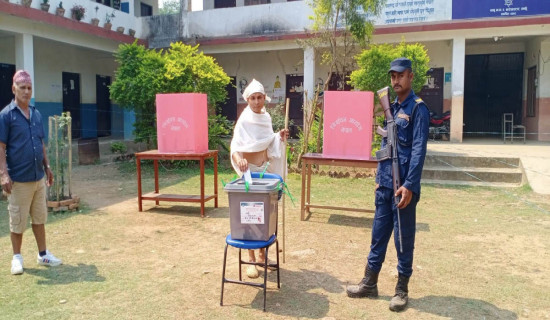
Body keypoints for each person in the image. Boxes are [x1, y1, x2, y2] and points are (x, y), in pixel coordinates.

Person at [346, 58, 429, 311]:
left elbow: (418, 150)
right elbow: (386, 147)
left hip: (403, 187)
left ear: (411, 77)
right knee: (377, 235)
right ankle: (369, 282)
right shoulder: (390, 108)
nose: (396, 80)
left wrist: (410, 185)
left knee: (403, 239)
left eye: (400, 76)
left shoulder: (418, 109)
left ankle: (402, 289)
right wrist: (378, 179)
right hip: (385, 184)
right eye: (393, 76)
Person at [0, 70, 62, 275]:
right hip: (19, 179)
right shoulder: (6, 115)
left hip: (38, 177)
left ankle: (43, 254)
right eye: (22, 87)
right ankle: (17, 258)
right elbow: (1, 147)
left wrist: (47, 166)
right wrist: (3, 174)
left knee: (39, 218)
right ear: (14, 89)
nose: (26, 91)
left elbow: (40, 143)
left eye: (29, 88)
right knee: (17, 220)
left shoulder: (36, 113)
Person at [230, 79, 288, 279]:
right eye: (253, 98)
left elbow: (269, 141)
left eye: (259, 97)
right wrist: (240, 161)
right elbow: (235, 147)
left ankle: (263, 255)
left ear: (264, 98)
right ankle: (251, 259)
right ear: (247, 100)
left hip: (265, 172)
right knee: (249, 214)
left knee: (265, 215)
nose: (256, 101)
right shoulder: (244, 120)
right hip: (248, 173)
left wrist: (279, 136)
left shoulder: (266, 118)